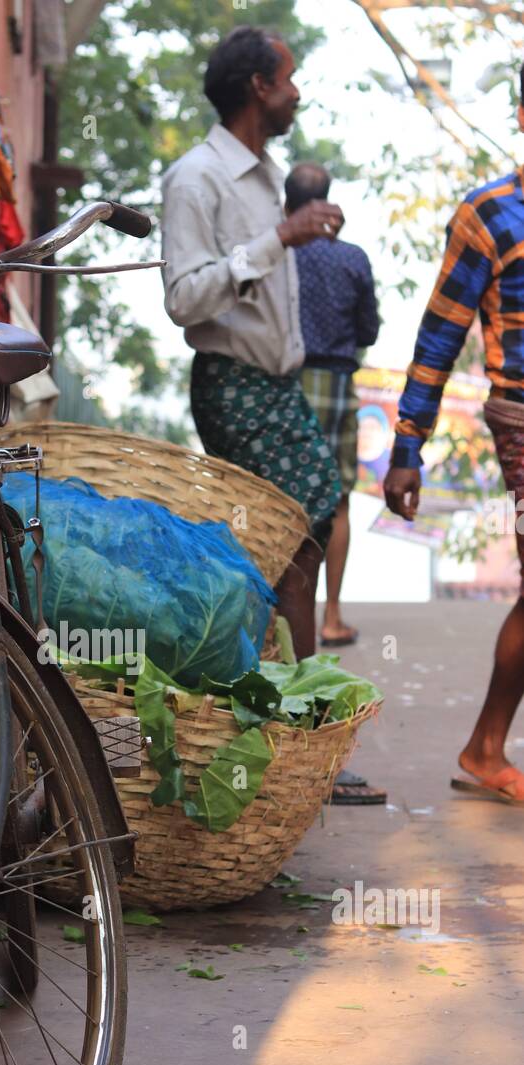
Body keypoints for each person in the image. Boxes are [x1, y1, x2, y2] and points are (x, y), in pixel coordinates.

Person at [160, 24, 344, 660]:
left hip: (276, 385)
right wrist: (279, 240)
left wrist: (288, 236)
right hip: (234, 384)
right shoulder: (196, 177)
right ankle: (287, 706)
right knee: (290, 538)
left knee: (301, 534)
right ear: (259, 86)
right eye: (288, 79)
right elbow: (183, 300)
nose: (297, 93)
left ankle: (290, 703)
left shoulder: (267, 176)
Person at [386, 63, 524, 806]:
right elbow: (440, 335)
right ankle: (485, 747)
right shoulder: (490, 214)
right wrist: (408, 446)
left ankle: (484, 746)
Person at [285, 161, 380, 648]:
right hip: (340, 382)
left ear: (287, 202)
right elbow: (368, 330)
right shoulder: (353, 259)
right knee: (337, 500)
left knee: (287, 499)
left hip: (290, 381)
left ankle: (282, 620)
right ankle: (332, 617)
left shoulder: (280, 255)